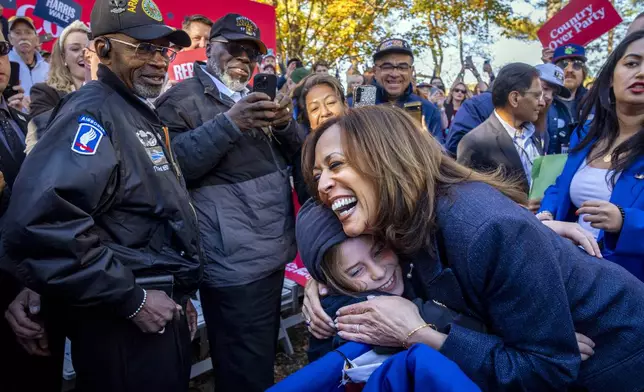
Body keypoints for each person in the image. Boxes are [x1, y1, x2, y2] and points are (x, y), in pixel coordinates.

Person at [301, 106, 644, 391]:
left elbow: (546, 370)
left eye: (335, 165)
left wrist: (419, 334)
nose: (322, 185)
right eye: (317, 175)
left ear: (387, 157)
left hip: (618, 365)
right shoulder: (401, 219)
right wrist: (319, 282)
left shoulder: (487, 229)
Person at [1, 0, 202, 390]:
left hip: (154, 308)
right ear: (103, 49)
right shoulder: (91, 114)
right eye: (144, 47)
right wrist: (132, 298)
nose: (160, 60)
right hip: (123, 323)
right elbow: (43, 222)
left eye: (164, 49)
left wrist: (178, 291)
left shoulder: (133, 110)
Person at [155, 13, 301, 392]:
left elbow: (302, 155)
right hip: (233, 264)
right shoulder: (180, 99)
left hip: (271, 253)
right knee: (243, 370)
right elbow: (173, 167)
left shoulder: (257, 96)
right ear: (209, 49)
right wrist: (230, 123)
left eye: (251, 53)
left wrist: (285, 124)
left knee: (258, 357)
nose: (243, 58)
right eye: (233, 48)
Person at [537, 31, 644, 281]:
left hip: (628, 288)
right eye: (632, 63)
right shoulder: (587, 134)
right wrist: (547, 212)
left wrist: (626, 222)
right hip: (569, 274)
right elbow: (560, 185)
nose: (641, 73)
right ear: (610, 78)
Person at [457, 63, 545, 196]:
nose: (542, 102)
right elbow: (469, 200)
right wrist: (520, 207)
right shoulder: (475, 143)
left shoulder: (534, 134)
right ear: (514, 98)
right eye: (536, 96)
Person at [366, 38, 442, 142]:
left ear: (411, 71)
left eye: (402, 67)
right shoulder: (358, 104)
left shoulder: (428, 110)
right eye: (387, 67)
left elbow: (440, 154)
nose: (395, 74)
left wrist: (426, 143)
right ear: (375, 71)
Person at [292, 73, 348, 204]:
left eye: (331, 102)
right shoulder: (303, 158)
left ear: (345, 105)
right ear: (309, 119)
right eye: (314, 108)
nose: (324, 112)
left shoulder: (366, 140)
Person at [29, 21, 89, 117]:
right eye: (75, 49)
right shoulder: (45, 92)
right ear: (63, 57)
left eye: (88, 48)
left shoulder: (108, 91)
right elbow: (43, 128)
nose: (84, 53)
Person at [549, 44, 589, 153]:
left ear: (583, 72)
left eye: (577, 65)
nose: (570, 70)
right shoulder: (541, 102)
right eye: (563, 65)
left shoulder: (595, 103)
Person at [7, 16, 49, 100]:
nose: (23, 37)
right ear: (10, 39)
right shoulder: (4, 65)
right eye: (18, 33)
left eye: (28, 32)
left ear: (36, 39)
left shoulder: (49, 69)